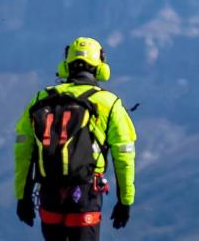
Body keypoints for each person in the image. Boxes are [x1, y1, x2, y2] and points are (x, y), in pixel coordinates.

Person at [14, 36, 137, 238]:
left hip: (49, 195)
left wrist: (23, 197)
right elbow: (124, 156)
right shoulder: (109, 103)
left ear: (66, 66)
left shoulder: (41, 99)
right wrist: (125, 201)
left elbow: (23, 152)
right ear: (100, 67)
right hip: (85, 194)